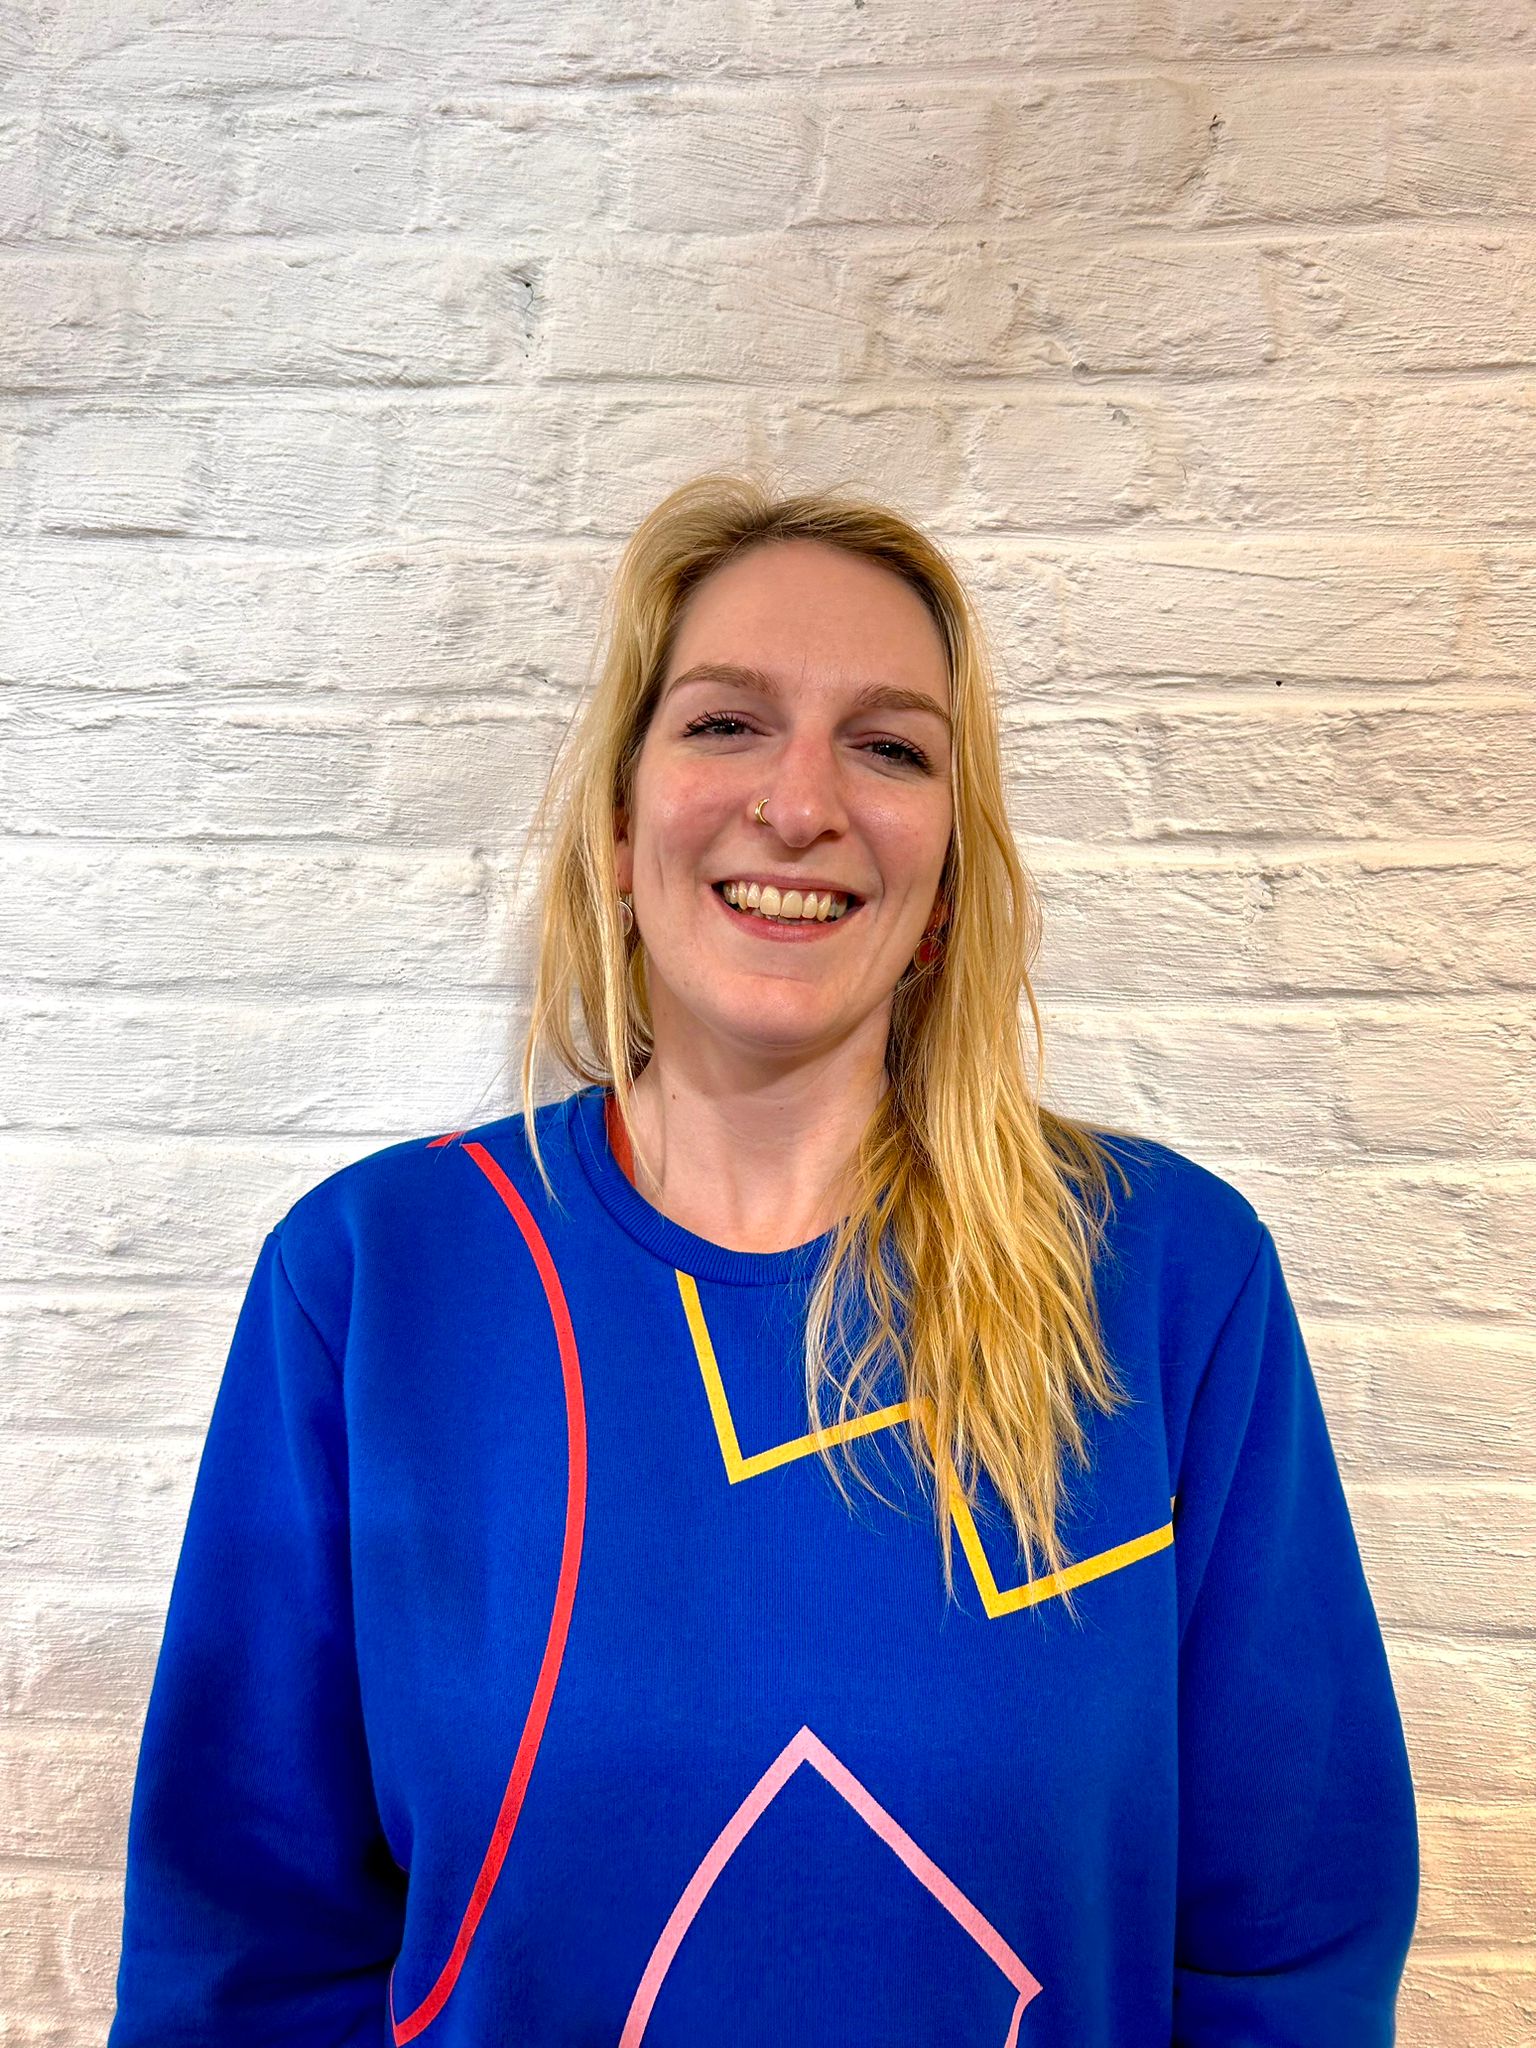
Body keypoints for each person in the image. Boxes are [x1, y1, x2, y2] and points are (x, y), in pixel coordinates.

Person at [107, 474, 1420, 2047]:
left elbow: (1292, 1948)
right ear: (618, 825)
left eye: (891, 747)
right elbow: (239, 1961)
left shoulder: (1167, 1282)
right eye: (727, 724)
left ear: (946, 878)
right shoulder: (373, 1286)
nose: (801, 804)